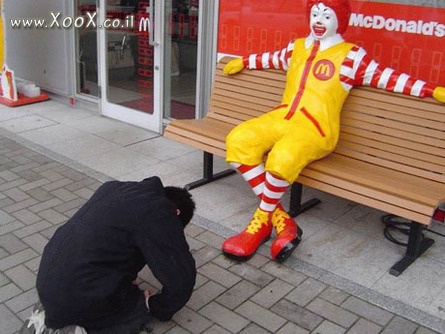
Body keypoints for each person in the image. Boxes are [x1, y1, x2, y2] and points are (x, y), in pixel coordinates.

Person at [222, 0, 445, 263]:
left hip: (315, 128)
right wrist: (245, 61)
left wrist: (429, 90)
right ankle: (282, 220)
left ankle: (259, 224)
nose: (318, 20)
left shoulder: (351, 56)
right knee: (238, 140)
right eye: (315, 14)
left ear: (339, 20)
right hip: (281, 117)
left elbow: (388, 77)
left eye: (326, 15)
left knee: (281, 157)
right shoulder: (297, 47)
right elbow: (271, 57)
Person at [21, 176, 196, 334]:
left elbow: (113, 241)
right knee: (137, 309)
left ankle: (54, 313)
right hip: (78, 295)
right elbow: (182, 279)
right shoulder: (158, 211)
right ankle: (72, 329)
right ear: (176, 213)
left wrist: (127, 277)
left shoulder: (114, 188)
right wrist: (157, 306)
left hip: (48, 280)